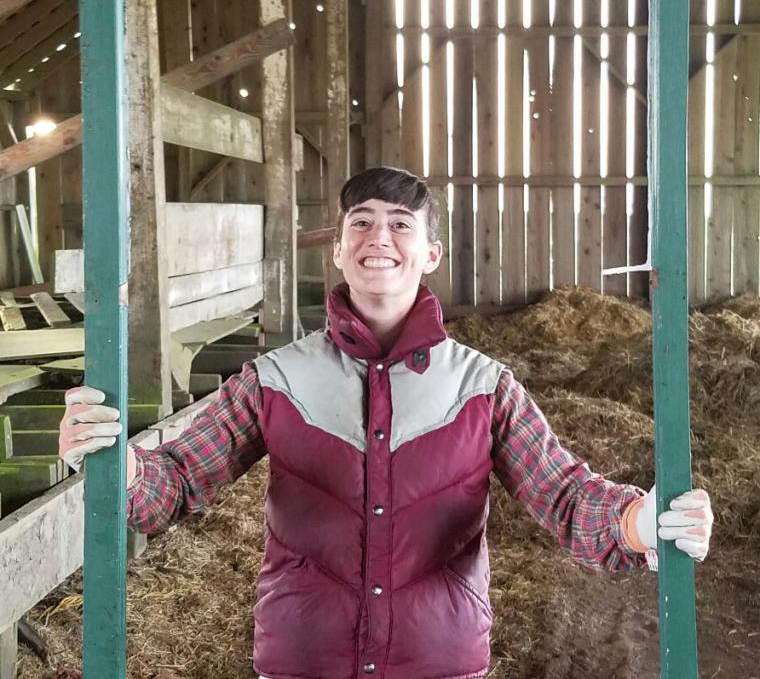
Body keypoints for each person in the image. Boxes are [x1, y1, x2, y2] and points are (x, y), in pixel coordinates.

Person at [59, 166, 713, 679]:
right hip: (303, 664)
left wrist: (638, 521)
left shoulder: (483, 388)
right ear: (339, 250)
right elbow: (167, 485)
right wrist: (110, 459)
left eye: (401, 224)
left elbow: (567, 498)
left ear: (430, 253)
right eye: (362, 223)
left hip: (438, 664)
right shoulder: (274, 381)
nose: (379, 238)